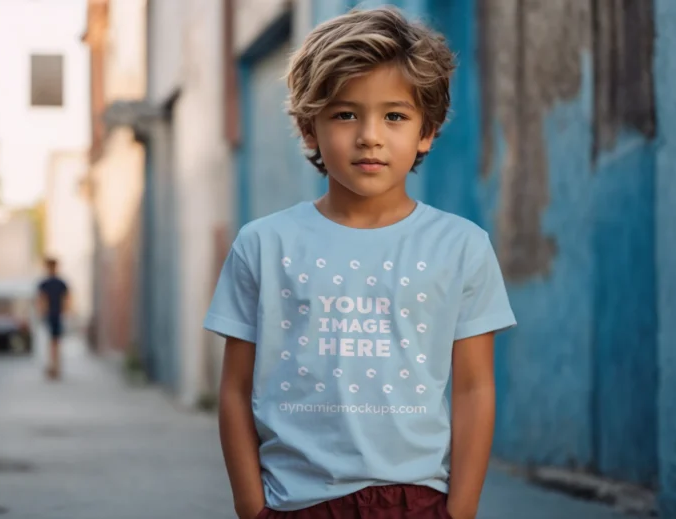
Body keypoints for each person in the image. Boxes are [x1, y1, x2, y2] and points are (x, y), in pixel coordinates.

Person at [204, 7, 517, 519]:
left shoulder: (461, 246)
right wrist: (250, 506)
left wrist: (459, 511)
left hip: (417, 501)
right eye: (346, 114)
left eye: (395, 116)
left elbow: (474, 387)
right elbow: (236, 388)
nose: (370, 135)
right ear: (310, 128)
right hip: (297, 502)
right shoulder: (264, 244)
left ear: (427, 131)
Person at [37, 257, 69, 380]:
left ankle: (53, 367)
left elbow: (42, 300)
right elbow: (66, 300)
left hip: (52, 315)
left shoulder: (45, 283)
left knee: (52, 343)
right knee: (55, 342)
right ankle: (55, 366)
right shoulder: (61, 283)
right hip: (56, 315)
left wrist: (42, 313)